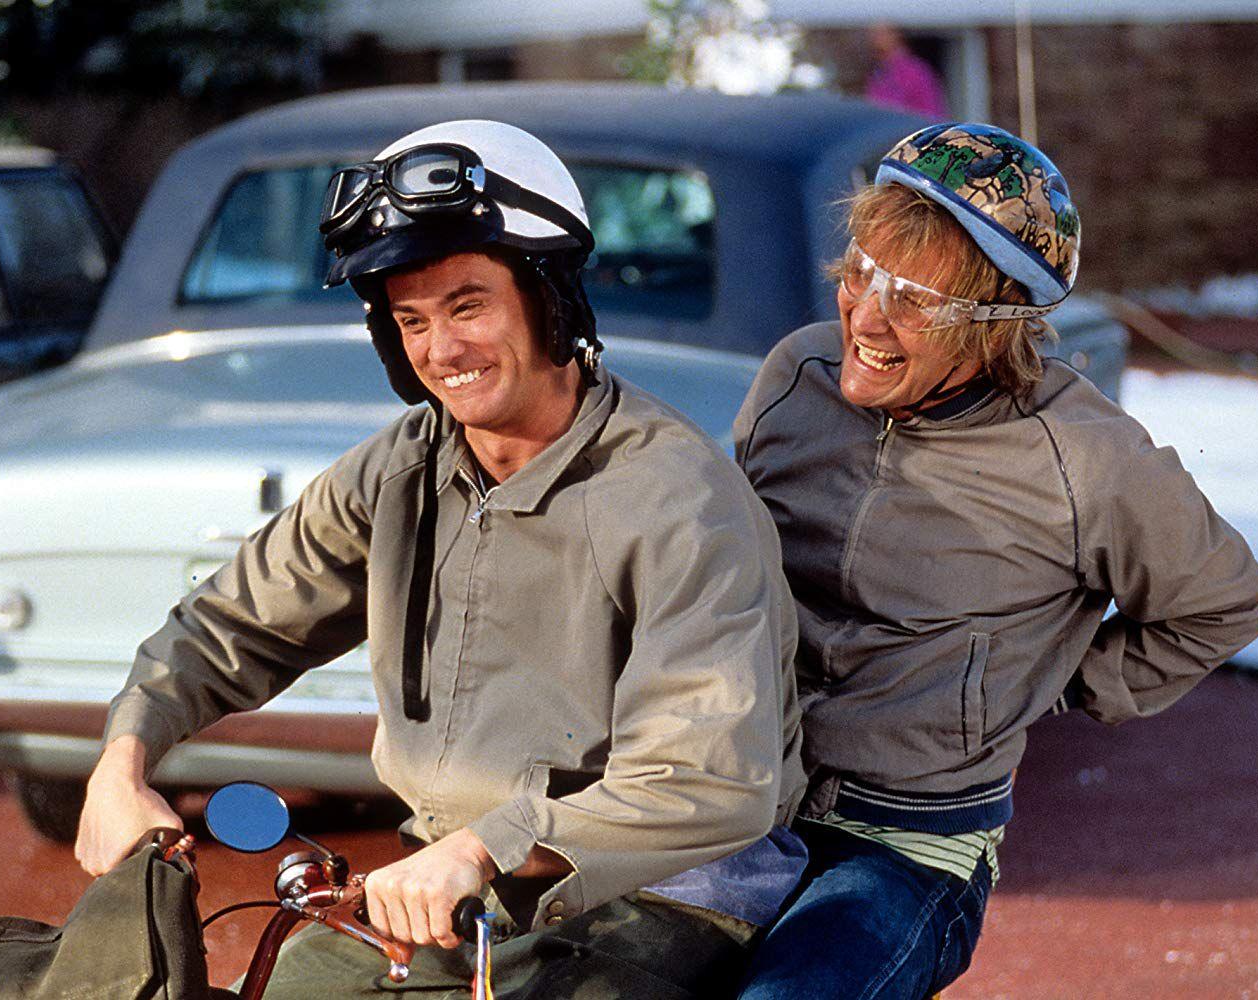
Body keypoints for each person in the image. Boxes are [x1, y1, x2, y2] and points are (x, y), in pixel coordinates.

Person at [74, 120, 808, 999]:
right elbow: (227, 623)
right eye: (411, 320)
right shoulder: (400, 469)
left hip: (663, 893)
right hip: (454, 884)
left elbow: (703, 781)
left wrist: (482, 848)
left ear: (549, 299)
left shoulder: (677, 498)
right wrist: (121, 765)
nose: (441, 350)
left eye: (467, 307)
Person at [732, 123, 1258, 999]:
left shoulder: (1086, 460)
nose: (865, 316)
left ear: (995, 326)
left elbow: (1224, 601)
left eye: (915, 298)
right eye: (862, 269)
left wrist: (1055, 684)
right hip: (746, 798)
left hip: (905, 846)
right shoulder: (797, 375)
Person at [864, 23, 950, 120]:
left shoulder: (915, 71)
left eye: (879, 34)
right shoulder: (879, 72)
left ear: (895, 35)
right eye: (871, 34)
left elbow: (932, 113)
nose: (873, 39)